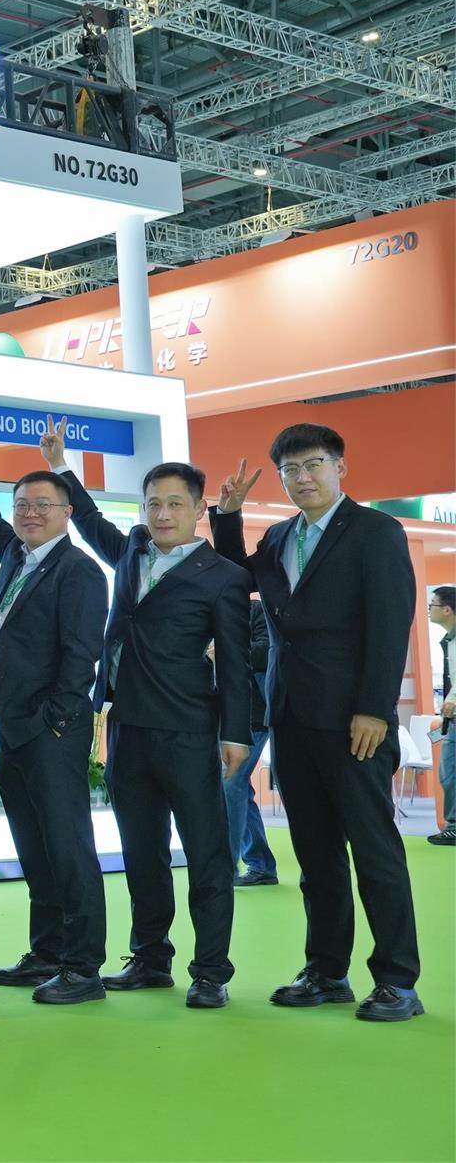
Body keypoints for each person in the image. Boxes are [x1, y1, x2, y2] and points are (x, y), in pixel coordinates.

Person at [38, 425, 253, 1009]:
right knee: (141, 852)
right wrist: (60, 467)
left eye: (175, 504)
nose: (162, 514)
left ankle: (210, 972)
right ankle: (151, 958)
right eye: (153, 503)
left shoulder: (225, 577)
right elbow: (89, 521)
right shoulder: (132, 549)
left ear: (199, 509)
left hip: (190, 730)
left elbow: (236, 664)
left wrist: (236, 733)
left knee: (207, 855)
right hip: (127, 727)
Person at [213, 425, 422, 1021]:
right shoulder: (280, 536)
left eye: (313, 464)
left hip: (355, 720)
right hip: (291, 717)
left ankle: (398, 982)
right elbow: (236, 579)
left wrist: (375, 708)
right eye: (291, 470)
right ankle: (327, 971)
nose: (302, 477)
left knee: (375, 852)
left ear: (339, 467)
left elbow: (390, 624)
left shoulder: (376, 531)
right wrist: (227, 516)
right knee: (315, 854)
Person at [0, 420, 108, 1005]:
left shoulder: (79, 570)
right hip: (10, 726)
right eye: (22, 505)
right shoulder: (16, 555)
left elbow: (81, 657)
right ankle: (48, 950)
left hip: (50, 729)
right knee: (34, 845)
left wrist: (55, 719)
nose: (29, 513)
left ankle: (83, 966)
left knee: (69, 846)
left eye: (42, 505)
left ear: (67, 512)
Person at [225, 600, 280, 884]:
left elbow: (267, 651)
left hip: (253, 715)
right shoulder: (207, 610)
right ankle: (261, 864)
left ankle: (226, 868)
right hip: (225, 716)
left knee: (231, 783)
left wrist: (229, 651)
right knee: (238, 789)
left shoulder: (254, 610)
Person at [428, 585, 455, 848]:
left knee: (450, 772)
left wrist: (453, 697)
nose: (429, 609)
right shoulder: (448, 640)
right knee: (448, 772)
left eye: (433, 604)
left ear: (447, 609)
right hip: (452, 719)